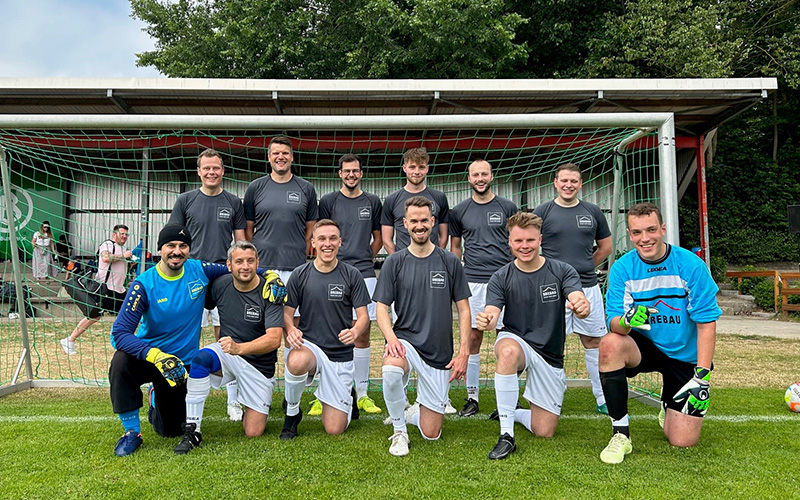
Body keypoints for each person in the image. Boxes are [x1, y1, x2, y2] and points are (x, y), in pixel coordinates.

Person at [597, 202, 720, 464]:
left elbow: (707, 323)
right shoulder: (622, 268)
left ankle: (669, 405)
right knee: (609, 344)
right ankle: (621, 434)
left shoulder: (691, 265)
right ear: (630, 235)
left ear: (663, 229)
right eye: (637, 232)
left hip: (684, 355)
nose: (645, 238)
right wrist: (627, 320)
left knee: (682, 441)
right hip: (646, 346)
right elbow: (614, 325)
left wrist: (702, 378)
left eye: (651, 230)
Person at [107, 224, 231, 457]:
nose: (177, 251)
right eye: (170, 246)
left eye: (183, 246)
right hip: (150, 357)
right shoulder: (144, 284)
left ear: (189, 250)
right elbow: (119, 333)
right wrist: (156, 355)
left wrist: (269, 274)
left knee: (172, 431)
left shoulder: (200, 270)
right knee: (121, 362)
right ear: (160, 250)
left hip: (179, 365)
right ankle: (132, 433)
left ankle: (156, 400)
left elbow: (241, 267)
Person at [476, 212, 589, 460]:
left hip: (549, 353)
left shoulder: (562, 270)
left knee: (544, 431)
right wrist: (487, 319)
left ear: (540, 239)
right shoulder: (501, 276)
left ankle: (512, 411)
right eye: (518, 241)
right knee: (507, 351)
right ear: (509, 242)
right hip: (516, 340)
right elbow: (492, 312)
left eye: (529, 240)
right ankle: (506, 435)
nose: (524, 246)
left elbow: (577, 297)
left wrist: (581, 304)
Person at [374, 196, 471, 457]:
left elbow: (463, 308)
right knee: (392, 368)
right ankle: (399, 431)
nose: (419, 226)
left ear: (432, 221)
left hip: (438, 351)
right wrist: (391, 339)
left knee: (432, 434)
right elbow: (381, 307)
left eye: (424, 220)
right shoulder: (394, 261)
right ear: (405, 223)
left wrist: (463, 353)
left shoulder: (450, 261)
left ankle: (413, 412)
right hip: (405, 341)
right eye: (413, 221)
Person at [174, 241, 285, 454]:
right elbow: (194, 299)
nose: (245, 266)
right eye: (239, 261)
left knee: (253, 432)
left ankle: (250, 405)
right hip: (227, 354)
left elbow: (274, 339)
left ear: (257, 263)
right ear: (229, 265)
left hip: (258, 366)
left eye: (250, 261)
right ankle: (192, 430)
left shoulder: (270, 290)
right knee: (200, 360)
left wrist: (239, 348)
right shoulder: (220, 284)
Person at [168, 148, 247, 421]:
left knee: (227, 337)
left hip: (223, 278)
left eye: (216, 168)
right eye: (207, 168)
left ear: (222, 171)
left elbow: (240, 242)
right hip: (191, 276)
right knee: (184, 337)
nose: (212, 172)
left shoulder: (234, 202)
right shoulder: (185, 200)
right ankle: (175, 397)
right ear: (199, 171)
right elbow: (173, 243)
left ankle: (233, 401)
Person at [280, 219, 371, 439]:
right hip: (311, 348)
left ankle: (346, 396)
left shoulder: (352, 275)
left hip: (339, 353)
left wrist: (356, 332)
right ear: (313, 242)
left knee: (334, 429)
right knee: (296, 360)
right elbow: (286, 313)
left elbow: (364, 317)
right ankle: (292, 414)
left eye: (332, 239)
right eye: (321, 239)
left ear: (340, 242)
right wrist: (291, 329)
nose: (327, 244)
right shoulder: (300, 274)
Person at [533, 163, 612, 414]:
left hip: (588, 287)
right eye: (564, 180)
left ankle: (603, 397)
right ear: (555, 182)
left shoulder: (593, 212)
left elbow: (606, 247)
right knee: (552, 344)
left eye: (574, 181)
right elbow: (531, 247)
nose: (569, 185)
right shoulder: (543, 211)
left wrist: (585, 267)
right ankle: (550, 393)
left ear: (580, 184)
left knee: (593, 341)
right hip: (553, 291)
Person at [449, 159, 517, 417]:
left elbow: (516, 242)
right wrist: (457, 278)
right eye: (475, 174)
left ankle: (507, 399)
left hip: (504, 281)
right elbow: (456, 247)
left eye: (484, 174)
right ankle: (472, 396)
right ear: (469, 179)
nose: (480, 178)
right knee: (474, 338)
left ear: (491, 176)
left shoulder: (507, 206)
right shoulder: (459, 210)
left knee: (508, 338)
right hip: (473, 281)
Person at [318, 153, 384, 415]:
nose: (351, 175)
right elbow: (322, 233)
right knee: (327, 331)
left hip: (364, 272)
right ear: (340, 174)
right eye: (347, 171)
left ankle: (363, 393)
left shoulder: (373, 201)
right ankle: (322, 392)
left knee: (362, 332)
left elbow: (378, 236)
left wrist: (366, 255)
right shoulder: (328, 201)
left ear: (361, 173)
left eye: (355, 171)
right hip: (332, 272)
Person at [244, 136, 318, 288]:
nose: (280, 157)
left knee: (293, 312)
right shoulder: (255, 187)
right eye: (276, 153)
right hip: (262, 266)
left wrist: (297, 249)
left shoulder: (306, 188)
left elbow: (311, 228)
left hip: (295, 265)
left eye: (285, 153)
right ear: (269, 157)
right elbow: (248, 228)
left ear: (291, 157)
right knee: (264, 311)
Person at [60, 224, 133, 355]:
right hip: (106, 289)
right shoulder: (108, 244)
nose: (124, 236)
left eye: (126, 234)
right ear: (114, 234)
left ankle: (128, 343)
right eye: (122, 234)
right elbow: (106, 258)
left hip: (119, 290)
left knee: (129, 315)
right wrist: (124, 255)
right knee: (94, 316)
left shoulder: (122, 249)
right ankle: (70, 340)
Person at [381, 147, 450, 254]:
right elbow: (386, 240)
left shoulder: (439, 197)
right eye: (412, 167)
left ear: (427, 168)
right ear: (404, 168)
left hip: (432, 261)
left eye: (421, 167)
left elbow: (444, 237)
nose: (416, 172)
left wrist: (436, 256)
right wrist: (399, 260)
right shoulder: (392, 200)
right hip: (404, 263)